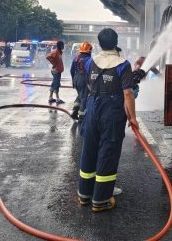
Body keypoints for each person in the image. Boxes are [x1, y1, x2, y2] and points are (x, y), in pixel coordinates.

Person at [77, 28, 138, 212]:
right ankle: (101, 199)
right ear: (116, 42)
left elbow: (89, 84)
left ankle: (84, 194)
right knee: (108, 151)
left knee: (89, 149)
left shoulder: (90, 62)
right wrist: (132, 118)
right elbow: (127, 93)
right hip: (111, 110)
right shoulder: (123, 64)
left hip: (92, 107)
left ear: (99, 43)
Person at [69, 41, 92, 120]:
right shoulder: (89, 59)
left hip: (76, 78)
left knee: (80, 95)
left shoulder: (76, 58)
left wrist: (73, 80)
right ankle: (81, 117)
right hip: (83, 79)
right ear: (89, 51)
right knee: (84, 97)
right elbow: (90, 72)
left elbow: (72, 70)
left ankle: (75, 112)